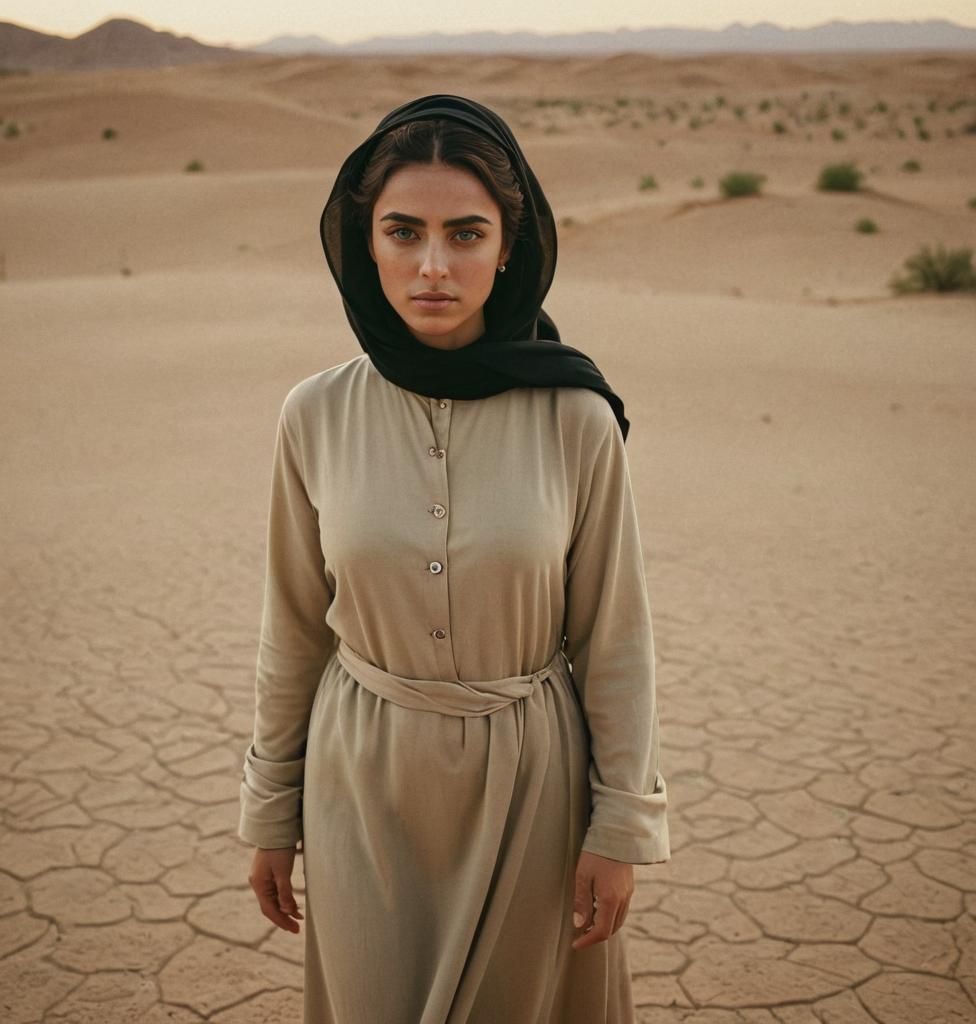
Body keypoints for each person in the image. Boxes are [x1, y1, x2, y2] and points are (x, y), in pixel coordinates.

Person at [237, 93, 671, 1023]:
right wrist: (271, 810)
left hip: (533, 787)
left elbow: (614, 639)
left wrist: (622, 825)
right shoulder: (313, 414)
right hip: (361, 784)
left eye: (466, 233)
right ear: (367, 245)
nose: (434, 265)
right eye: (403, 231)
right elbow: (292, 627)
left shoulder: (578, 418)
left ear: (509, 245)